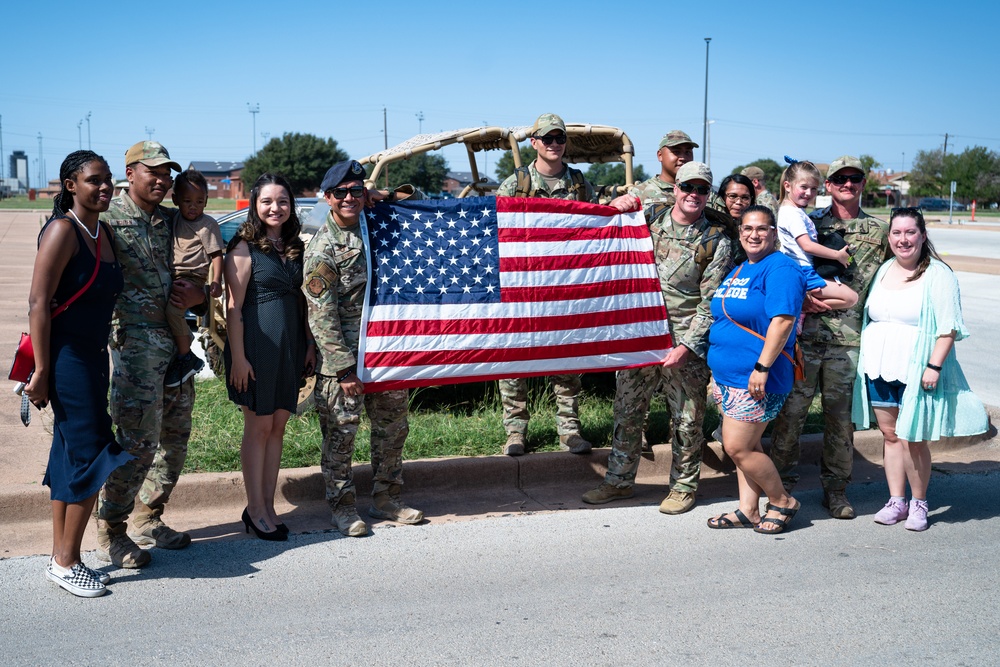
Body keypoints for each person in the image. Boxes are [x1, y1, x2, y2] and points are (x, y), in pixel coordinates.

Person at [582, 162, 733, 514]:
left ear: (708, 195)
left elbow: (710, 306)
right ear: (676, 188)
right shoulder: (646, 222)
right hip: (641, 334)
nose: (693, 195)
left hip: (684, 342)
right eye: (687, 187)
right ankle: (618, 480)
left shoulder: (715, 241)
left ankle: (683, 486)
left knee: (687, 416)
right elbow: (612, 226)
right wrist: (617, 206)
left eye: (701, 190)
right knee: (627, 409)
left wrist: (686, 347)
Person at [24, 151, 133, 596]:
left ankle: (59, 558)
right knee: (92, 453)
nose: (104, 187)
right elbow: (38, 303)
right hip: (66, 360)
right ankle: (68, 561)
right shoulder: (63, 231)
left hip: (93, 357)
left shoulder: (102, 231)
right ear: (71, 185)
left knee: (69, 455)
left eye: (108, 180)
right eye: (94, 180)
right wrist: (43, 370)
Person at [95, 141, 207, 568]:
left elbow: (197, 271)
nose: (161, 180)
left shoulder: (173, 220)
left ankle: (148, 516)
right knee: (137, 440)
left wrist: (201, 293)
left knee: (175, 438)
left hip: (177, 341)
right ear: (130, 173)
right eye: (153, 172)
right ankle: (111, 529)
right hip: (134, 343)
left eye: (166, 174)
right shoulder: (107, 219)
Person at [304, 159, 422, 537]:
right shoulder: (323, 249)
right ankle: (343, 508)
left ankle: (387, 498)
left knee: (392, 430)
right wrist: (343, 369)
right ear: (327, 198)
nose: (350, 198)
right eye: (341, 193)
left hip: (385, 352)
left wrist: (378, 194)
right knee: (341, 437)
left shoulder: (376, 224)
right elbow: (321, 317)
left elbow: (416, 199)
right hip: (346, 362)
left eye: (356, 190)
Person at [768, 156, 890, 519]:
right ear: (830, 184)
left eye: (854, 179)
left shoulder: (880, 231)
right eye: (840, 179)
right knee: (791, 416)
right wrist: (797, 298)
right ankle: (781, 489)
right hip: (803, 338)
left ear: (863, 184)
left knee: (841, 422)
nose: (847, 184)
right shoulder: (806, 220)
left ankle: (836, 491)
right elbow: (782, 261)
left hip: (848, 341)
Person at [852, 208, 988, 531]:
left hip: (915, 370)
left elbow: (949, 327)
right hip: (878, 367)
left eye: (910, 232)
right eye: (896, 233)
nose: (903, 239)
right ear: (889, 238)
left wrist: (933, 366)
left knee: (913, 437)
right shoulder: (885, 269)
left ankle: (919, 503)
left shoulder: (938, 274)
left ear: (923, 235)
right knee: (889, 436)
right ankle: (896, 500)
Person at [494, 113, 599, 457]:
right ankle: (515, 431)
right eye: (548, 138)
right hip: (523, 286)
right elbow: (495, 228)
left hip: (565, 287)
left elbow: (597, 227)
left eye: (560, 138)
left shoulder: (581, 185)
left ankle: (569, 429)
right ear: (534, 142)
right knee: (514, 359)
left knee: (567, 359)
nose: (554, 144)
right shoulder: (515, 184)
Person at [225, 173, 315, 540]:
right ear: (254, 205)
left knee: (278, 426)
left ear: (291, 205)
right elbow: (233, 309)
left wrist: (308, 342)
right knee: (258, 427)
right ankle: (255, 508)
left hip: (290, 345)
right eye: (267, 201)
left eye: (282, 201)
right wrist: (239, 359)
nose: (275, 208)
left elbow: (302, 299)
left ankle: (268, 504)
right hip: (257, 347)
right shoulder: (244, 247)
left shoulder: (296, 246)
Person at [705, 206, 805, 533]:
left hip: (758, 378)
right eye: (748, 228)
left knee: (737, 447)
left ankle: (782, 500)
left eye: (762, 228)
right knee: (747, 447)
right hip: (728, 378)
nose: (754, 234)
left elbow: (784, 320)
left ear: (774, 233)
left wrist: (761, 367)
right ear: (740, 232)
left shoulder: (780, 268)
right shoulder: (740, 269)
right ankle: (749, 510)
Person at [163, 169, 223, 387]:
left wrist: (215, 282)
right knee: (168, 312)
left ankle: (186, 355)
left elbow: (217, 255)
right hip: (174, 274)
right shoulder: (174, 217)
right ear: (176, 200)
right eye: (187, 200)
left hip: (192, 276)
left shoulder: (207, 225)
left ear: (206, 201)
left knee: (173, 311)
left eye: (199, 201)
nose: (193, 206)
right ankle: (184, 344)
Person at [776, 160, 858, 314]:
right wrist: (838, 256)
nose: (809, 193)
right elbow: (807, 245)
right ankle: (800, 305)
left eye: (814, 188)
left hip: (802, 269)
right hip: (802, 270)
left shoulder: (794, 210)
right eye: (804, 187)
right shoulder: (792, 214)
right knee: (851, 298)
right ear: (787, 186)